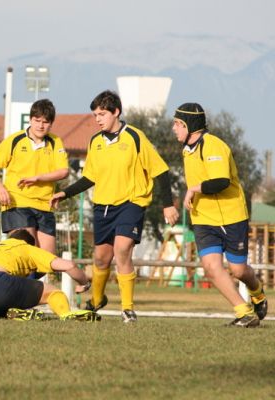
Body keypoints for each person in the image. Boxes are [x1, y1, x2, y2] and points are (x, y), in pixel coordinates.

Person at [50, 90, 179, 323]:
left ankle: (127, 309)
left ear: (116, 112)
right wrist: (65, 193)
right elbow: (90, 177)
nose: (97, 119)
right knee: (100, 258)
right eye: (95, 115)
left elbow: (161, 170)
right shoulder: (95, 141)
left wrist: (168, 205)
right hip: (103, 207)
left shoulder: (135, 137)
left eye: (102, 114)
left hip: (131, 203)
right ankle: (97, 299)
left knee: (122, 249)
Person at [172, 103, 267, 327]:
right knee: (211, 268)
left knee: (238, 270)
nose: (174, 128)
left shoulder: (213, 146)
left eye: (177, 124)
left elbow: (221, 182)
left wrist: (193, 189)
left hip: (231, 215)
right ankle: (244, 312)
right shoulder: (186, 149)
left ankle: (257, 291)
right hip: (204, 219)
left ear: (189, 125)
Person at [0, 99, 69, 254]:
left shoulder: (55, 142)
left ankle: (30, 279)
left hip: (45, 205)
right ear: (30, 119)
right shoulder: (15, 140)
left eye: (46, 122)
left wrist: (38, 178)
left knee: (46, 260)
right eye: (37, 120)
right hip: (17, 203)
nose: (41, 126)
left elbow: (63, 171)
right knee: (26, 251)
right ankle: (15, 278)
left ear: (51, 124)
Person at [0, 229, 97, 321]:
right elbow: (69, 266)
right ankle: (66, 314)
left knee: (3, 298)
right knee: (52, 292)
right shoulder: (26, 248)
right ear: (30, 243)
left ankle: (13, 313)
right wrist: (84, 283)